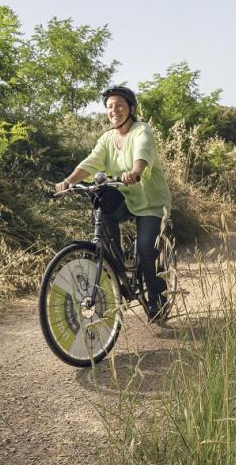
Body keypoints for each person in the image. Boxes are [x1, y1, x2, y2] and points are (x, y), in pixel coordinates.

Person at [55, 85, 171, 318]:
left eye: (119, 105)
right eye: (109, 107)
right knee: (101, 200)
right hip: (126, 198)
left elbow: (142, 154)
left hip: (150, 202)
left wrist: (135, 171)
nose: (114, 110)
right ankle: (116, 268)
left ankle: (158, 302)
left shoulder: (141, 131)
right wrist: (67, 181)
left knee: (147, 249)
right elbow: (90, 163)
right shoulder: (107, 138)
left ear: (131, 108)